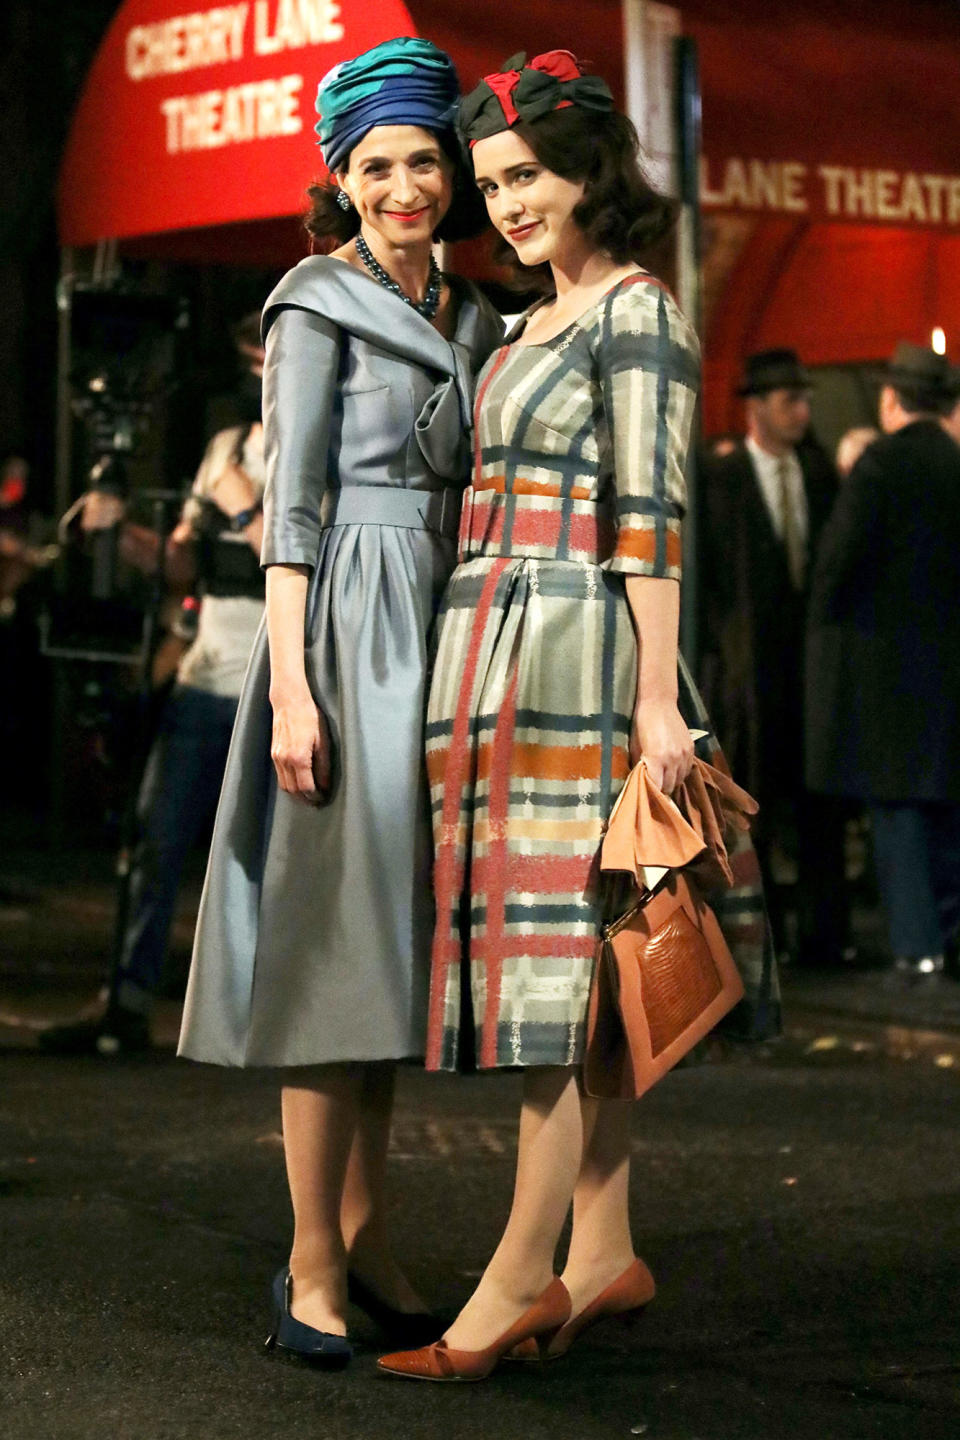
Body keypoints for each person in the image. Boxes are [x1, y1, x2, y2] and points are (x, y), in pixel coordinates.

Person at [377, 49, 777, 1384]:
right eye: (491, 183)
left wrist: (658, 699)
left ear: (590, 173)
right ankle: (601, 1250)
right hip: (492, 661)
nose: (507, 203)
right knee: (583, 979)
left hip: (579, 660)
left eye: (528, 176)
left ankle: (508, 1290)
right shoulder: (527, 319)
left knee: (558, 981)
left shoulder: (637, 311)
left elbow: (654, 519)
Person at [177, 38, 503, 1367]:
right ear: (343, 178)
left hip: (444, 628)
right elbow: (291, 510)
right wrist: (297, 690)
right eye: (380, 164)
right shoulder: (312, 303)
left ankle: (367, 1236)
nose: (407, 183)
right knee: (332, 955)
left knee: (397, 962)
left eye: (426, 159)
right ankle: (311, 1260)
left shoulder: (479, 317)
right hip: (346, 628)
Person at [40, 320, 268, 1055]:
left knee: (257, 860)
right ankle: (127, 1002)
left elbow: (299, 558)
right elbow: (179, 568)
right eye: (255, 353)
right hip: (204, 682)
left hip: (276, 690)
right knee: (153, 840)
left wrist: (242, 507)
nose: (264, 366)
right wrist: (114, 532)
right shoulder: (227, 450)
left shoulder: (326, 452)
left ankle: (255, 1017)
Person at [806, 342, 960, 982]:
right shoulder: (957, 465)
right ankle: (951, 937)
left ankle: (916, 944)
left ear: (891, 399)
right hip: (951, 668)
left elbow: (835, 568)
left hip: (884, 674)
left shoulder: (878, 465)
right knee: (949, 809)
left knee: (897, 815)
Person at [698, 349, 850, 966]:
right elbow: (710, 578)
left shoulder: (818, 474)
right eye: (790, 399)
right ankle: (764, 935)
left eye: (804, 398)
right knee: (756, 800)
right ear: (756, 407)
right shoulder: (723, 477)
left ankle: (823, 935)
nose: (803, 411)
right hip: (748, 672)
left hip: (811, 668)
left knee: (819, 807)